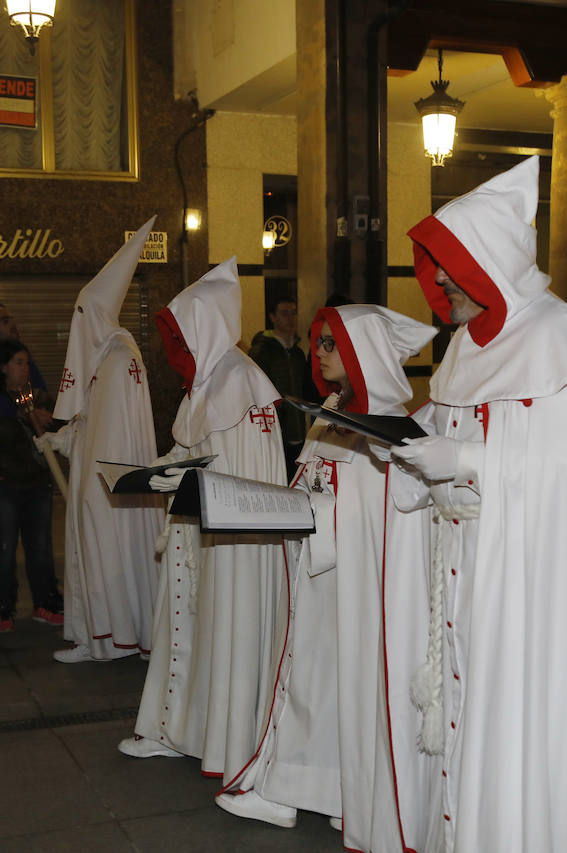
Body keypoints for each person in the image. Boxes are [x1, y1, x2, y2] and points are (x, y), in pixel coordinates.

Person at [387, 156, 567, 852]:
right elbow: (442, 430)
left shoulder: (559, 336)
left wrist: (465, 462)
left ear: (487, 262)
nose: (436, 281)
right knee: (471, 717)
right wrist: (411, 458)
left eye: (449, 265)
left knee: (518, 718)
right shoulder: (463, 348)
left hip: (530, 588)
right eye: (434, 266)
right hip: (466, 571)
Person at [217, 304, 441, 850]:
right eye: (317, 343)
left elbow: (381, 510)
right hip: (324, 576)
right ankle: (315, 793)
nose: (318, 353)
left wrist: (309, 515)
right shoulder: (336, 408)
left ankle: (318, 795)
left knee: (328, 689)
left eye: (329, 344)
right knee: (319, 688)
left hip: (351, 584)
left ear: (362, 351)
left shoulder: (382, 420)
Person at [118, 257, 289, 785]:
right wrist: (159, 471)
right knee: (187, 626)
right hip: (200, 527)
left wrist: (185, 478)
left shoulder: (241, 381)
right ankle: (177, 731)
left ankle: (220, 739)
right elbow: (194, 446)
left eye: (184, 337)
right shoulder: (214, 381)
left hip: (228, 537)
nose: (177, 351)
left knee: (220, 627)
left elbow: (242, 471)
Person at [43, 220, 162, 663]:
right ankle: (95, 637)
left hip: (108, 486)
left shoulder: (117, 358)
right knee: (101, 558)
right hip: (99, 483)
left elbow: (114, 435)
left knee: (111, 557)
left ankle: (111, 640)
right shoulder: (104, 357)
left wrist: (95, 484)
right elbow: (93, 424)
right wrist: (64, 439)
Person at [0, 341, 64, 632]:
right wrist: (24, 418)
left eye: (27, 362)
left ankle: (46, 602)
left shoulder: (38, 397)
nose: (25, 368)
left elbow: (61, 425)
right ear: (3, 367)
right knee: (5, 548)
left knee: (40, 546)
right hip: (7, 485)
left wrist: (48, 421)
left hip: (37, 484)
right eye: (18, 362)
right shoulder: (4, 402)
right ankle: (4, 608)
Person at [249, 294, 315, 478]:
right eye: (284, 313)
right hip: (276, 434)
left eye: (293, 313)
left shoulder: (298, 353)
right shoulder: (262, 351)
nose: (291, 318)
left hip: (299, 432)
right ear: (272, 317)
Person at [0, 303, 50, 402]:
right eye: (6, 322)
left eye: (12, 320)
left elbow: (41, 394)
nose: (13, 325)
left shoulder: (23, 356)